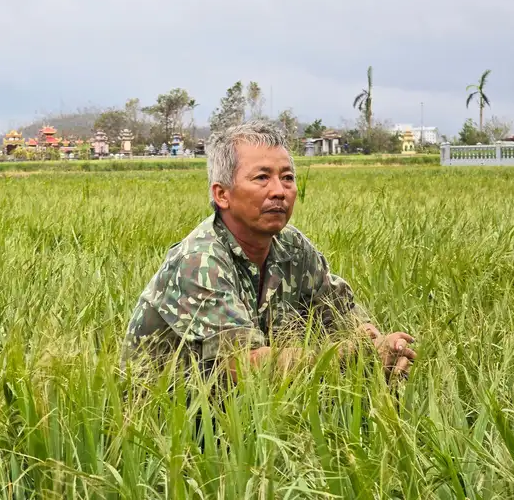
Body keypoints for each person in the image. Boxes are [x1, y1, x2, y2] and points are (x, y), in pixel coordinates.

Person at [120, 121, 416, 383]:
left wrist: (384, 348)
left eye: (287, 178)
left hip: (243, 410)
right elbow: (241, 366)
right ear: (222, 194)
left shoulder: (293, 247)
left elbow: (345, 319)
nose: (279, 191)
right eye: (262, 178)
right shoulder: (200, 260)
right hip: (169, 417)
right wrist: (347, 356)